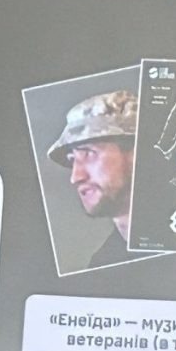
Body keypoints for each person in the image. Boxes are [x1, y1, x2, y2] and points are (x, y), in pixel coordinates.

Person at [47, 88, 139, 269]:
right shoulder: (105, 263)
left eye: (89, 154)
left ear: (137, 154)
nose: (75, 177)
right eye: (72, 160)